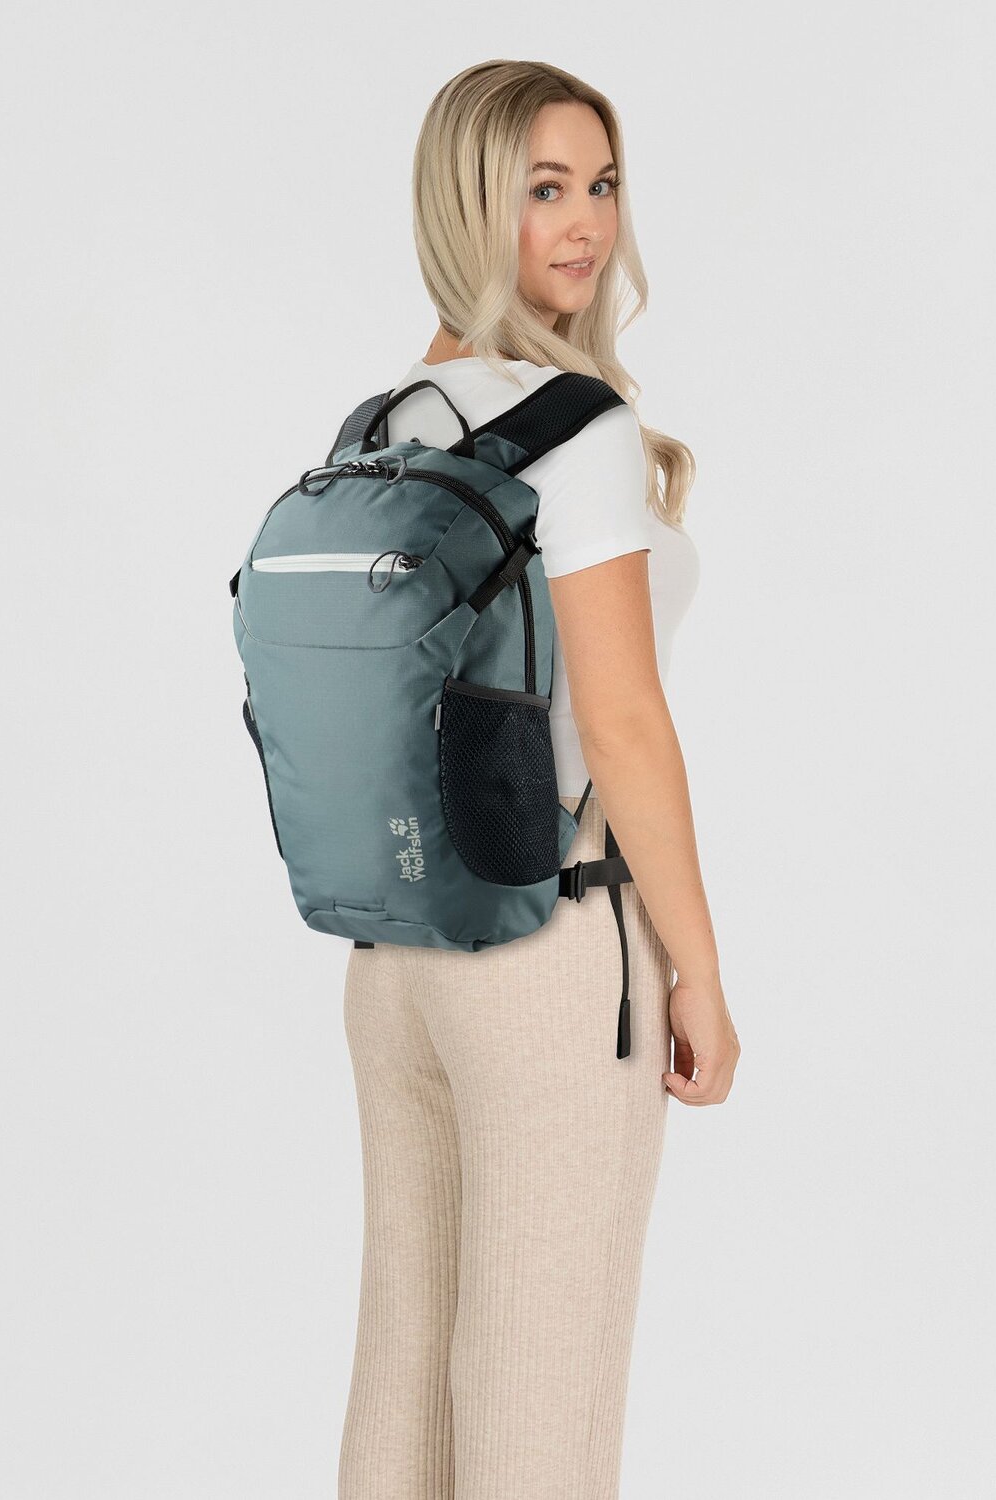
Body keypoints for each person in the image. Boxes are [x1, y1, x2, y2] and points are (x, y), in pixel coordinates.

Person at [339, 59, 740, 1499]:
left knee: (408, 1364)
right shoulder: (575, 427)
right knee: (538, 1390)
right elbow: (622, 726)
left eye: (602, 183)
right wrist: (697, 973)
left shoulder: (381, 427)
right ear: (468, 204)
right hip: (551, 944)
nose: (585, 224)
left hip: (397, 960)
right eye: (543, 189)